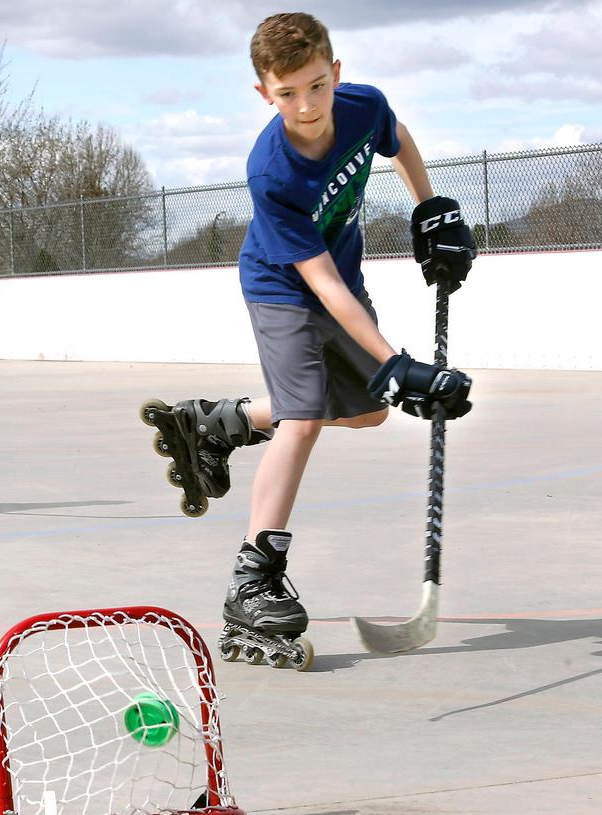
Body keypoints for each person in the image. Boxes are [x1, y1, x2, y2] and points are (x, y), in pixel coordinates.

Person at [140, 12, 476, 664]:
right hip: (284, 287)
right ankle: (252, 578)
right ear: (265, 94)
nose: (307, 106)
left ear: (336, 74)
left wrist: (428, 208)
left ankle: (223, 423)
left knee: (371, 411)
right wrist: (395, 360)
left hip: (340, 276)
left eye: (317, 86)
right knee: (302, 419)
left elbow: (397, 137)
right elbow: (320, 286)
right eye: (288, 93)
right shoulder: (272, 172)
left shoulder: (362, 107)